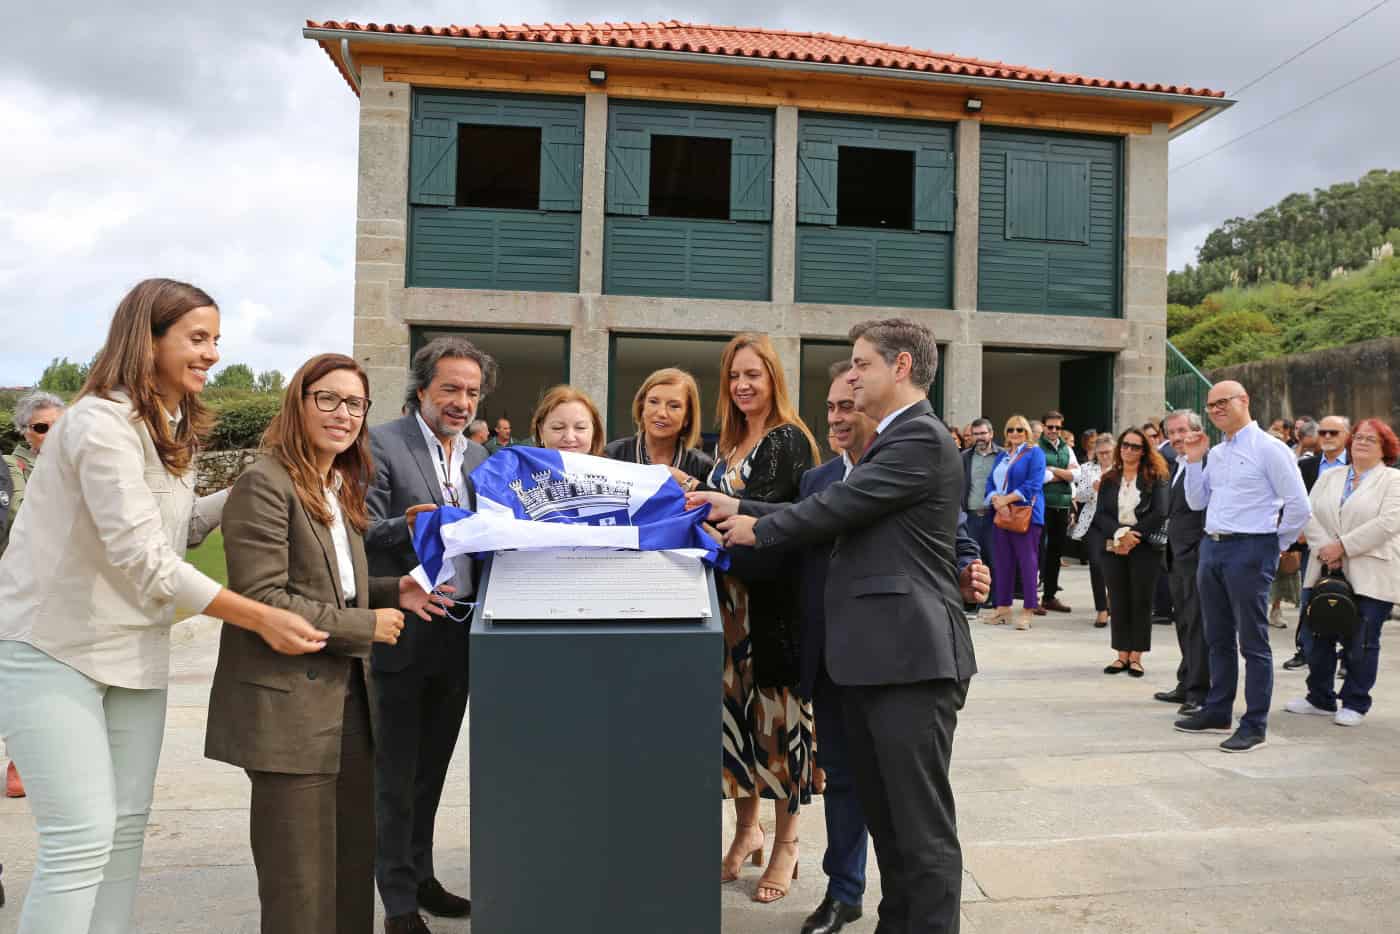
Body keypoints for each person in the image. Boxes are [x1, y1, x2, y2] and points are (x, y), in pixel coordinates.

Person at [0, 278, 324, 933]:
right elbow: (143, 559)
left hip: (133, 650)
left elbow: (180, 531)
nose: (211, 354)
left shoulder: (171, 425)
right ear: (146, 341)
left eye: (216, 341)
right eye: (196, 338)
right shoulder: (97, 422)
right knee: (81, 838)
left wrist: (269, 482)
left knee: (124, 831)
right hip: (50, 649)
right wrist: (260, 614)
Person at [706, 317, 980, 934]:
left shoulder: (919, 438)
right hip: (873, 660)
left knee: (921, 829)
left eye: (861, 364)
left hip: (911, 660)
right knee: (888, 821)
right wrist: (739, 504)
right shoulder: (889, 440)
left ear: (900, 367)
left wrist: (758, 526)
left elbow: (840, 508)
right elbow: (830, 502)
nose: (852, 376)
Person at [206, 354, 451, 934]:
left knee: (347, 868)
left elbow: (340, 587)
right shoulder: (264, 483)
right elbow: (264, 600)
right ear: (298, 402)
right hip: (286, 710)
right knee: (300, 886)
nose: (344, 414)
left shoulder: (336, 484)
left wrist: (396, 589)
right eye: (329, 399)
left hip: (347, 703)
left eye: (356, 404)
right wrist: (368, 626)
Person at [365, 336, 496, 933]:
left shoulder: (478, 458)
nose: (461, 401)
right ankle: (395, 899)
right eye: (450, 388)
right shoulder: (381, 442)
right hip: (402, 627)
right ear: (422, 389)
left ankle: (421, 876)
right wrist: (408, 525)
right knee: (395, 770)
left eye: (471, 392)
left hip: (460, 631)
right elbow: (356, 529)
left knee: (433, 768)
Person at [694, 333, 818, 905]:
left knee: (780, 726)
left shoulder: (787, 439)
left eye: (755, 375)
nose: (743, 386)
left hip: (769, 609)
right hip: (726, 608)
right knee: (737, 727)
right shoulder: (729, 444)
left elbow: (778, 526)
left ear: (774, 379)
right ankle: (748, 829)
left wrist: (697, 506)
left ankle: (787, 842)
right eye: (735, 376)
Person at [1175, 380, 1311, 753]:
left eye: (1223, 402)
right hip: (1213, 546)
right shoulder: (1216, 453)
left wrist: (1272, 545)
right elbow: (1197, 499)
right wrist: (1194, 459)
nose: (1216, 409)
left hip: (1251, 548)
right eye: (1211, 405)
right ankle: (1218, 710)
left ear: (1244, 401)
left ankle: (1255, 724)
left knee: (1253, 641)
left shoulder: (1270, 449)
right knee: (1216, 636)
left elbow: (1299, 505)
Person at [1286, 418, 1400, 726]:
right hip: (1323, 568)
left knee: (1361, 640)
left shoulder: (1393, 480)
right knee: (1313, 636)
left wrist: (1343, 547)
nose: (1362, 442)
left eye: (1371, 440)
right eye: (1359, 437)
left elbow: (1388, 523)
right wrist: (1326, 547)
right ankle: (1319, 697)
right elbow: (1308, 513)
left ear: (1385, 448)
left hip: (1370, 570)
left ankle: (1355, 702)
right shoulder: (1331, 476)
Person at [1092, 428, 1170, 678]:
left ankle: (1136, 656)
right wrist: (1119, 534)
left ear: (1145, 451)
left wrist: (1134, 535)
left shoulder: (1156, 477)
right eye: (1125, 445)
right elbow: (1101, 513)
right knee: (1118, 598)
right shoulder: (1109, 478)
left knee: (1141, 600)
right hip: (1114, 545)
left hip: (1144, 546)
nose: (1129, 450)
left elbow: (1160, 511)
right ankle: (1121, 654)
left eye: (1135, 447)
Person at [1153, 410, 1212, 716]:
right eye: (1171, 432)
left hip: (1198, 555)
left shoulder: (1207, 461)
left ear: (1197, 431)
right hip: (1177, 556)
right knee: (1184, 623)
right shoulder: (1177, 462)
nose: (1176, 437)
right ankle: (1186, 681)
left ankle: (1200, 692)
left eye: (1182, 431)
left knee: (1199, 626)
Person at [1283, 415, 1351, 670]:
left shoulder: (1357, 467)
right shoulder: (1307, 467)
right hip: (1314, 547)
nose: (1328, 437)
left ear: (1347, 436)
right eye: (1323, 433)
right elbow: (1297, 504)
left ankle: (1346, 655)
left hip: (1348, 547)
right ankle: (1305, 649)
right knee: (1310, 599)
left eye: (1334, 432)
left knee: (1347, 602)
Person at [604, 367, 715, 486]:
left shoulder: (703, 466)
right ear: (642, 407)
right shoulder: (612, 455)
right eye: (653, 402)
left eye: (674, 406)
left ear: (687, 417)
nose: (661, 413)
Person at [985, 414, 1046, 630]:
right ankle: (1003, 608)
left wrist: (1006, 499)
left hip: (1025, 514)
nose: (1015, 434)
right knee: (1002, 562)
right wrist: (995, 499)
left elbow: (1034, 484)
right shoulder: (1002, 456)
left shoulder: (1034, 453)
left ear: (1027, 432)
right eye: (1011, 430)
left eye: (1020, 430)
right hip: (1002, 513)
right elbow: (990, 481)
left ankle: (1028, 610)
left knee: (1027, 563)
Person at [1071, 433, 1116, 627]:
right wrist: (1093, 488)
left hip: (1117, 521)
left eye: (1108, 452)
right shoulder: (1088, 469)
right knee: (1096, 563)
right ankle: (1101, 609)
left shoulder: (1122, 469)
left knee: (1115, 564)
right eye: (1101, 453)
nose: (1105, 456)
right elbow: (1079, 496)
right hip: (1093, 521)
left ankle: (1112, 599)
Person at [1037, 410, 1076, 613]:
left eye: (1057, 427)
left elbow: (1077, 474)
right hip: (1042, 505)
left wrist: (1053, 470)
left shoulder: (1066, 448)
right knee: (1037, 551)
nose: (1053, 431)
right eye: (1050, 427)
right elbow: (1039, 476)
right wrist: (1064, 475)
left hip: (1062, 505)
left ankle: (1049, 596)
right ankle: (1031, 596)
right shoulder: (1036, 446)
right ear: (1043, 427)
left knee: (1055, 552)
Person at [962, 418, 1002, 611]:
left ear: (991, 434)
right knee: (974, 558)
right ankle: (976, 600)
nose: (979, 437)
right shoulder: (965, 457)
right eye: (976, 433)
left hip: (994, 515)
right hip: (970, 515)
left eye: (983, 433)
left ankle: (996, 599)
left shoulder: (1002, 456)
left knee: (995, 557)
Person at [5, 391, 65, 518]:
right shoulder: (9, 464)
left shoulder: (76, 463)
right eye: (41, 428)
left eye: (59, 425)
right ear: (24, 431)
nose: (52, 433)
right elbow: (20, 515)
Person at [531, 385, 605, 456]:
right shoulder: (524, 468)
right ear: (541, 432)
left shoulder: (610, 468)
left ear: (594, 431)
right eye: (558, 428)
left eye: (580, 427)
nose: (569, 438)